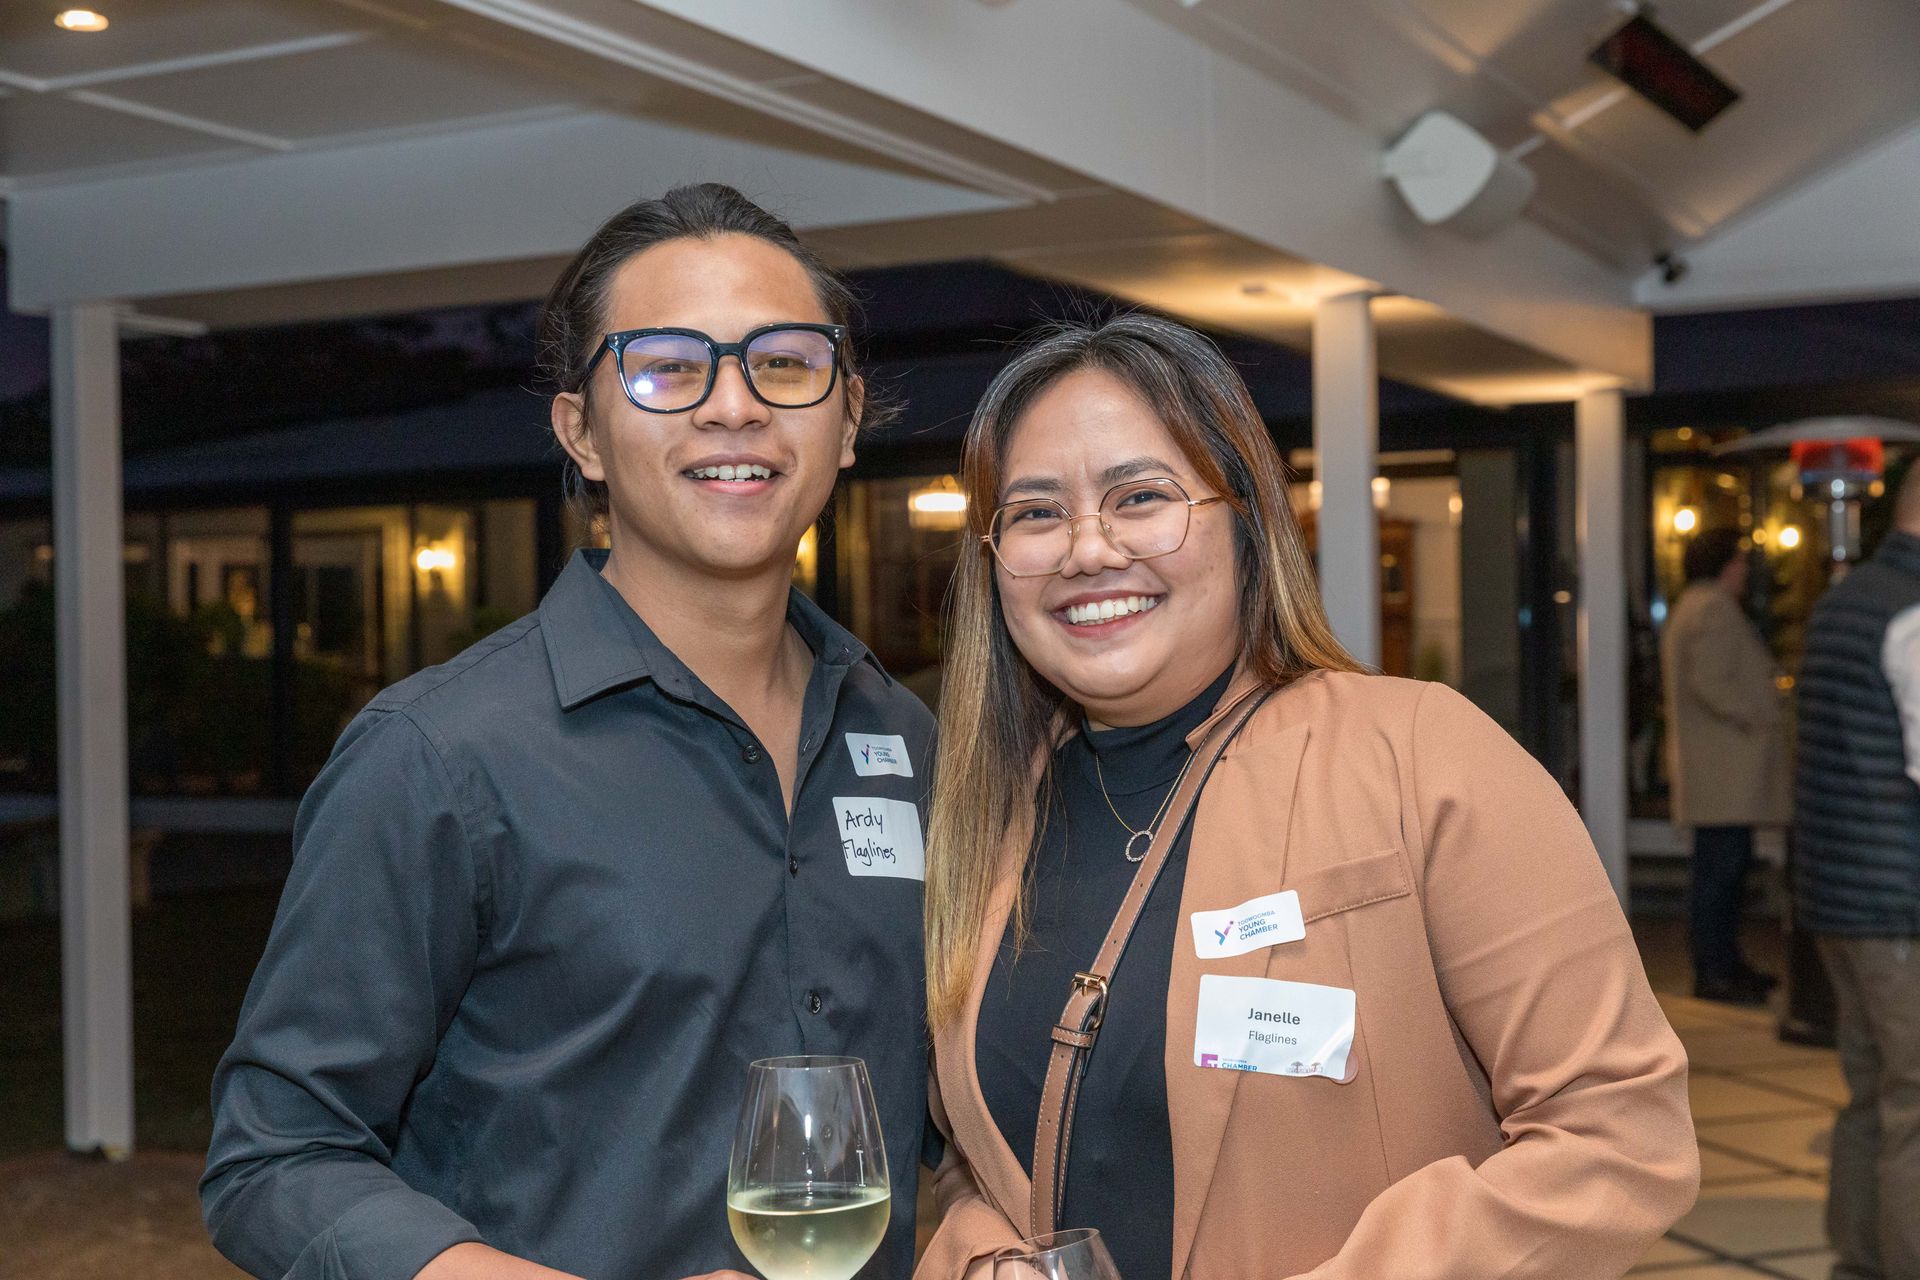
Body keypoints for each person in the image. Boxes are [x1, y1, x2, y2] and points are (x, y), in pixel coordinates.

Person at [202, 185, 934, 1280]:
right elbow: (274, 1160)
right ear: (581, 432)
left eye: (783, 361)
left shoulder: (912, 741)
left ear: (845, 420)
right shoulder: (438, 756)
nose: (734, 406)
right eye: (666, 366)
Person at [913, 314, 1698, 1280]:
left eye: (1141, 496)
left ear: (1247, 518)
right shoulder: (987, 820)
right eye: (1036, 514)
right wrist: (983, 1253)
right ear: (992, 560)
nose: (1087, 549)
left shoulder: (1419, 755)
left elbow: (1620, 1135)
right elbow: (979, 1149)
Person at [1794, 464, 1920, 1280]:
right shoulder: (1912, 610)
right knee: (1915, 1106)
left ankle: (1860, 1258)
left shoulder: (1846, 599)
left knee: (1872, 1091)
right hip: (1899, 901)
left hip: (1839, 894)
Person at [1659, 525, 1790, 1004]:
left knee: (1720, 872)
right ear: (1721, 564)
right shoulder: (1711, 609)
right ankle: (1716, 971)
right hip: (1724, 771)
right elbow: (1712, 683)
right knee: (1720, 876)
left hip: (1719, 772)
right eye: (1737, 562)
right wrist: (1759, 715)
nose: (1743, 571)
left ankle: (1724, 965)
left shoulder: (1692, 608)